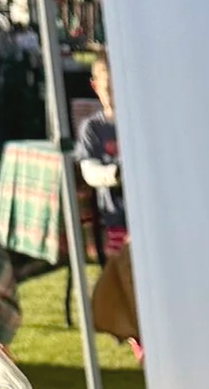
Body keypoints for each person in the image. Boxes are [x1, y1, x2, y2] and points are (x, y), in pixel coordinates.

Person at [76, 55, 139, 355]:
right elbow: (89, 172)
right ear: (95, 86)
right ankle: (138, 341)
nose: (114, 92)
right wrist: (117, 173)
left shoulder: (139, 123)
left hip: (145, 220)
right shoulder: (94, 128)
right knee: (126, 282)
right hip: (117, 218)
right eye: (107, 87)